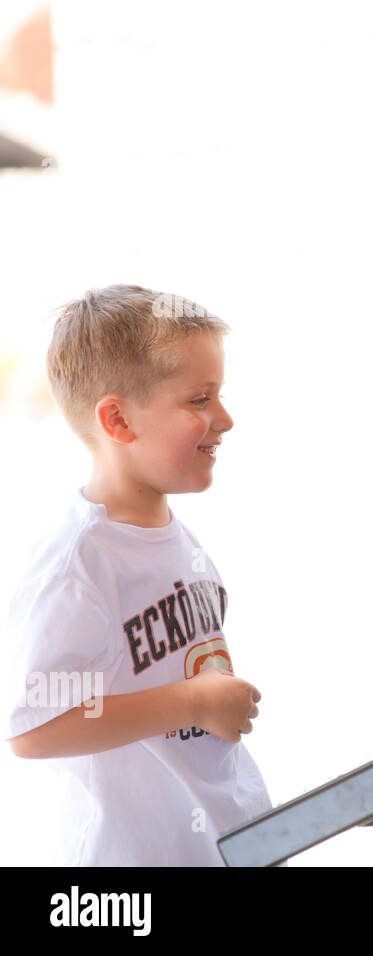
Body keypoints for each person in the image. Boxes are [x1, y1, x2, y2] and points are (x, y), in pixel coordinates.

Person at [2, 284, 272, 865]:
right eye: (200, 398)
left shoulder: (178, 540)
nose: (224, 419)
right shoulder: (77, 563)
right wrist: (192, 704)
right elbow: (34, 727)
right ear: (118, 419)